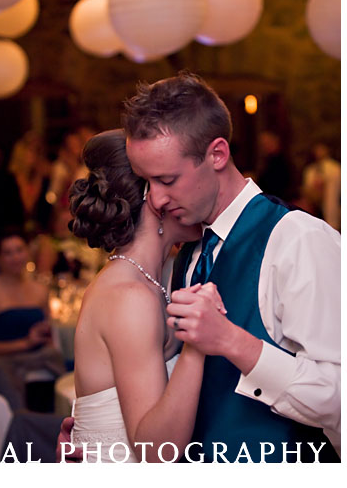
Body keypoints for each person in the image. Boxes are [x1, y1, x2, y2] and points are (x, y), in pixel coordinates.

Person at [120, 71, 341, 463]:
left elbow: (344, 398)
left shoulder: (298, 239)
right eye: (146, 183)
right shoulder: (190, 253)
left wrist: (232, 341)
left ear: (217, 154)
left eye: (167, 179)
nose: (155, 199)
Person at [59, 129, 225, 463]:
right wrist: (197, 344)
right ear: (155, 197)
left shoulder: (143, 283)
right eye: (174, 178)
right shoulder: (131, 296)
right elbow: (154, 453)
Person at [0, 228, 65, 411]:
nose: (15, 257)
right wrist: (26, 343)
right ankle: (24, 428)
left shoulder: (39, 289)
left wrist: (44, 337)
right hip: (3, 360)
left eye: (19, 250)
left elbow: (50, 334)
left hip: (40, 358)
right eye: (8, 253)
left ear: (27, 252)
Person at [301, 142, 341, 231]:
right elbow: (307, 188)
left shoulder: (335, 168)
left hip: (330, 205)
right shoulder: (310, 169)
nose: (319, 152)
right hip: (314, 207)